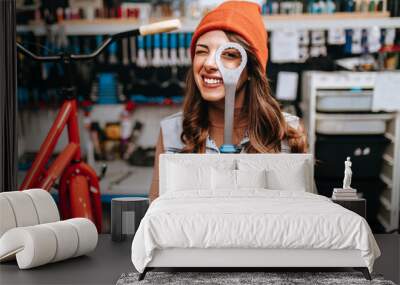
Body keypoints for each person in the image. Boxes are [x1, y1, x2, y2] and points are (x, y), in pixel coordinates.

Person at [149, 1, 307, 202]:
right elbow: (157, 210)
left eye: (229, 54)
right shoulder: (172, 131)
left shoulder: (288, 131)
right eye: (202, 51)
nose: (209, 64)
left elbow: (303, 216)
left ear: (251, 69)